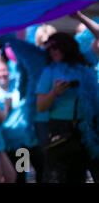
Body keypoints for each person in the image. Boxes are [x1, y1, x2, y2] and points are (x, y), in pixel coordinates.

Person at [36, 32, 99, 182]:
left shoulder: (84, 63)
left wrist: (79, 17)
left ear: (67, 46)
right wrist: (54, 93)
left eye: (56, 47)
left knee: (78, 177)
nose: (52, 51)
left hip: (85, 130)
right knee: (57, 178)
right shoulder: (48, 72)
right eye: (49, 49)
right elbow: (41, 107)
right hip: (60, 130)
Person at [0, 60, 44, 183]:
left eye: (4, 70)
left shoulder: (18, 85)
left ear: (9, 71)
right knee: (22, 176)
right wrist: (6, 107)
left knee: (42, 170)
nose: (2, 74)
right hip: (15, 145)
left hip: (31, 139)